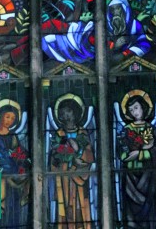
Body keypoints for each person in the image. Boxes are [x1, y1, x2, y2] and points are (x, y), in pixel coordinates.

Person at [116, 91, 156, 228]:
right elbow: (122, 154)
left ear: (143, 107)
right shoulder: (125, 131)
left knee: (151, 208)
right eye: (131, 110)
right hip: (130, 177)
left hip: (149, 175)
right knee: (131, 211)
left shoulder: (151, 129)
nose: (134, 112)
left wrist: (140, 154)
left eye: (136, 108)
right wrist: (135, 152)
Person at [49, 95, 95, 229]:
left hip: (79, 177)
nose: (66, 116)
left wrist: (78, 153)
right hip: (63, 179)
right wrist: (62, 156)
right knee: (64, 206)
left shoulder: (82, 132)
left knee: (80, 204)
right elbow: (53, 159)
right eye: (63, 114)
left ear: (76, 113)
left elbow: (89, 155)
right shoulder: (59, 134)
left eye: (68, 112)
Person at [0, 101, 29, 227]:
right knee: (0, 205)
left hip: (14, 182)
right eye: (7, 117)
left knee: (13, 209)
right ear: (0, 116)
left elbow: (20, 154)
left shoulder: (14, 137)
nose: (10, 121)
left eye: (13, 118)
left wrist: (18, 157)